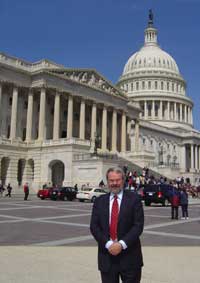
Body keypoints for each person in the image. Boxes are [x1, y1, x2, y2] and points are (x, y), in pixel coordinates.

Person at [90, 166, 144, 283]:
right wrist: (109, 244)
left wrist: (121, 244)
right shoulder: (99, 201)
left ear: (123, 180)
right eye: (111, 180)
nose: (114, 183)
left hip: (130, 256)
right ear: (107, 181)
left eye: (117, 180)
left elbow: (138, 225)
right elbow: (94, 227)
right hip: (107, 256)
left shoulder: (134, 199)